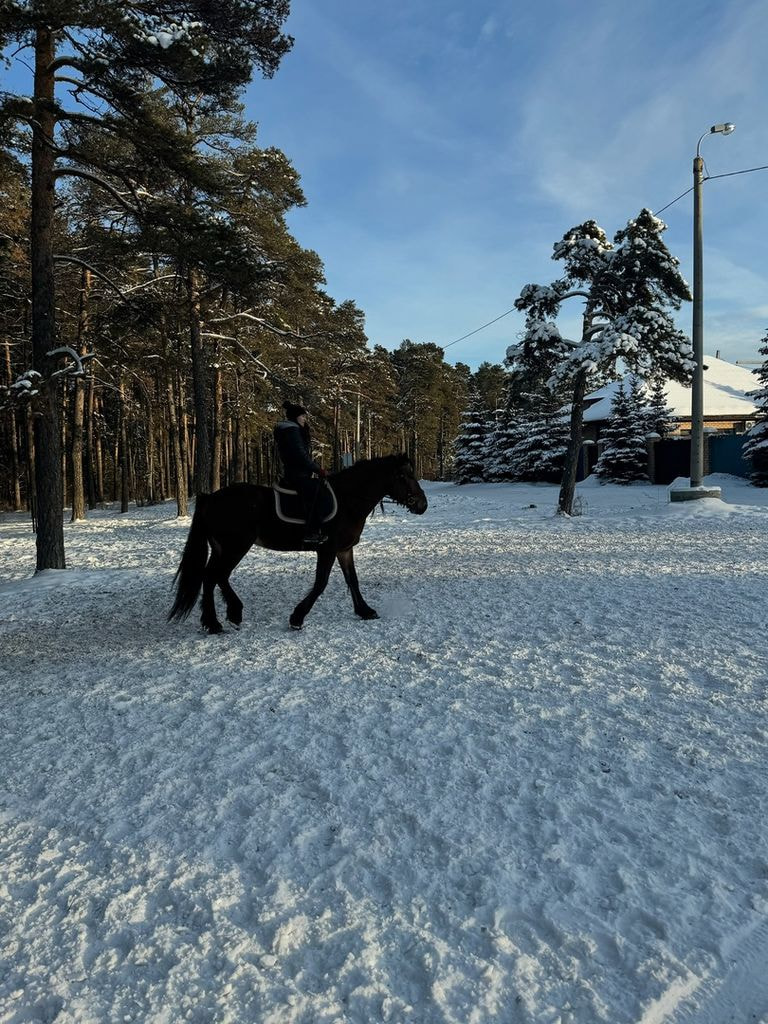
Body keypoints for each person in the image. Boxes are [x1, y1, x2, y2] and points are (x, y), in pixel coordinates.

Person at [274, 401, 327, 544]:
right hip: (297, 475)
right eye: (302, 416)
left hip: (295, 473)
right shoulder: (292, 431)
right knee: (318, 493)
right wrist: (317, 469)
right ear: (295, 417)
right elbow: (300, 456)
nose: (304, 419)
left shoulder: (292, 430)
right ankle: (312, 531)